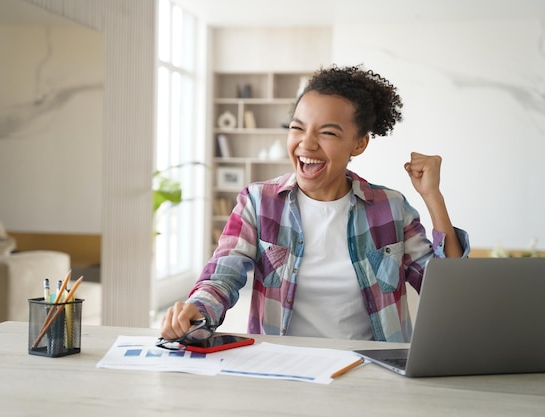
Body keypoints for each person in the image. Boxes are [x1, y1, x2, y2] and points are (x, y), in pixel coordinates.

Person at [161, 64, 470, 343]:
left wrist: (432, 196)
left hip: (375, 373)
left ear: (359, 143)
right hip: (283, 370)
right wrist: (196, 310)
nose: (306, 143)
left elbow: (446, 293)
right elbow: (221, 277)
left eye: (328, 132)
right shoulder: (258, 202)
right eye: (297, 128)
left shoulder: (390, 207)